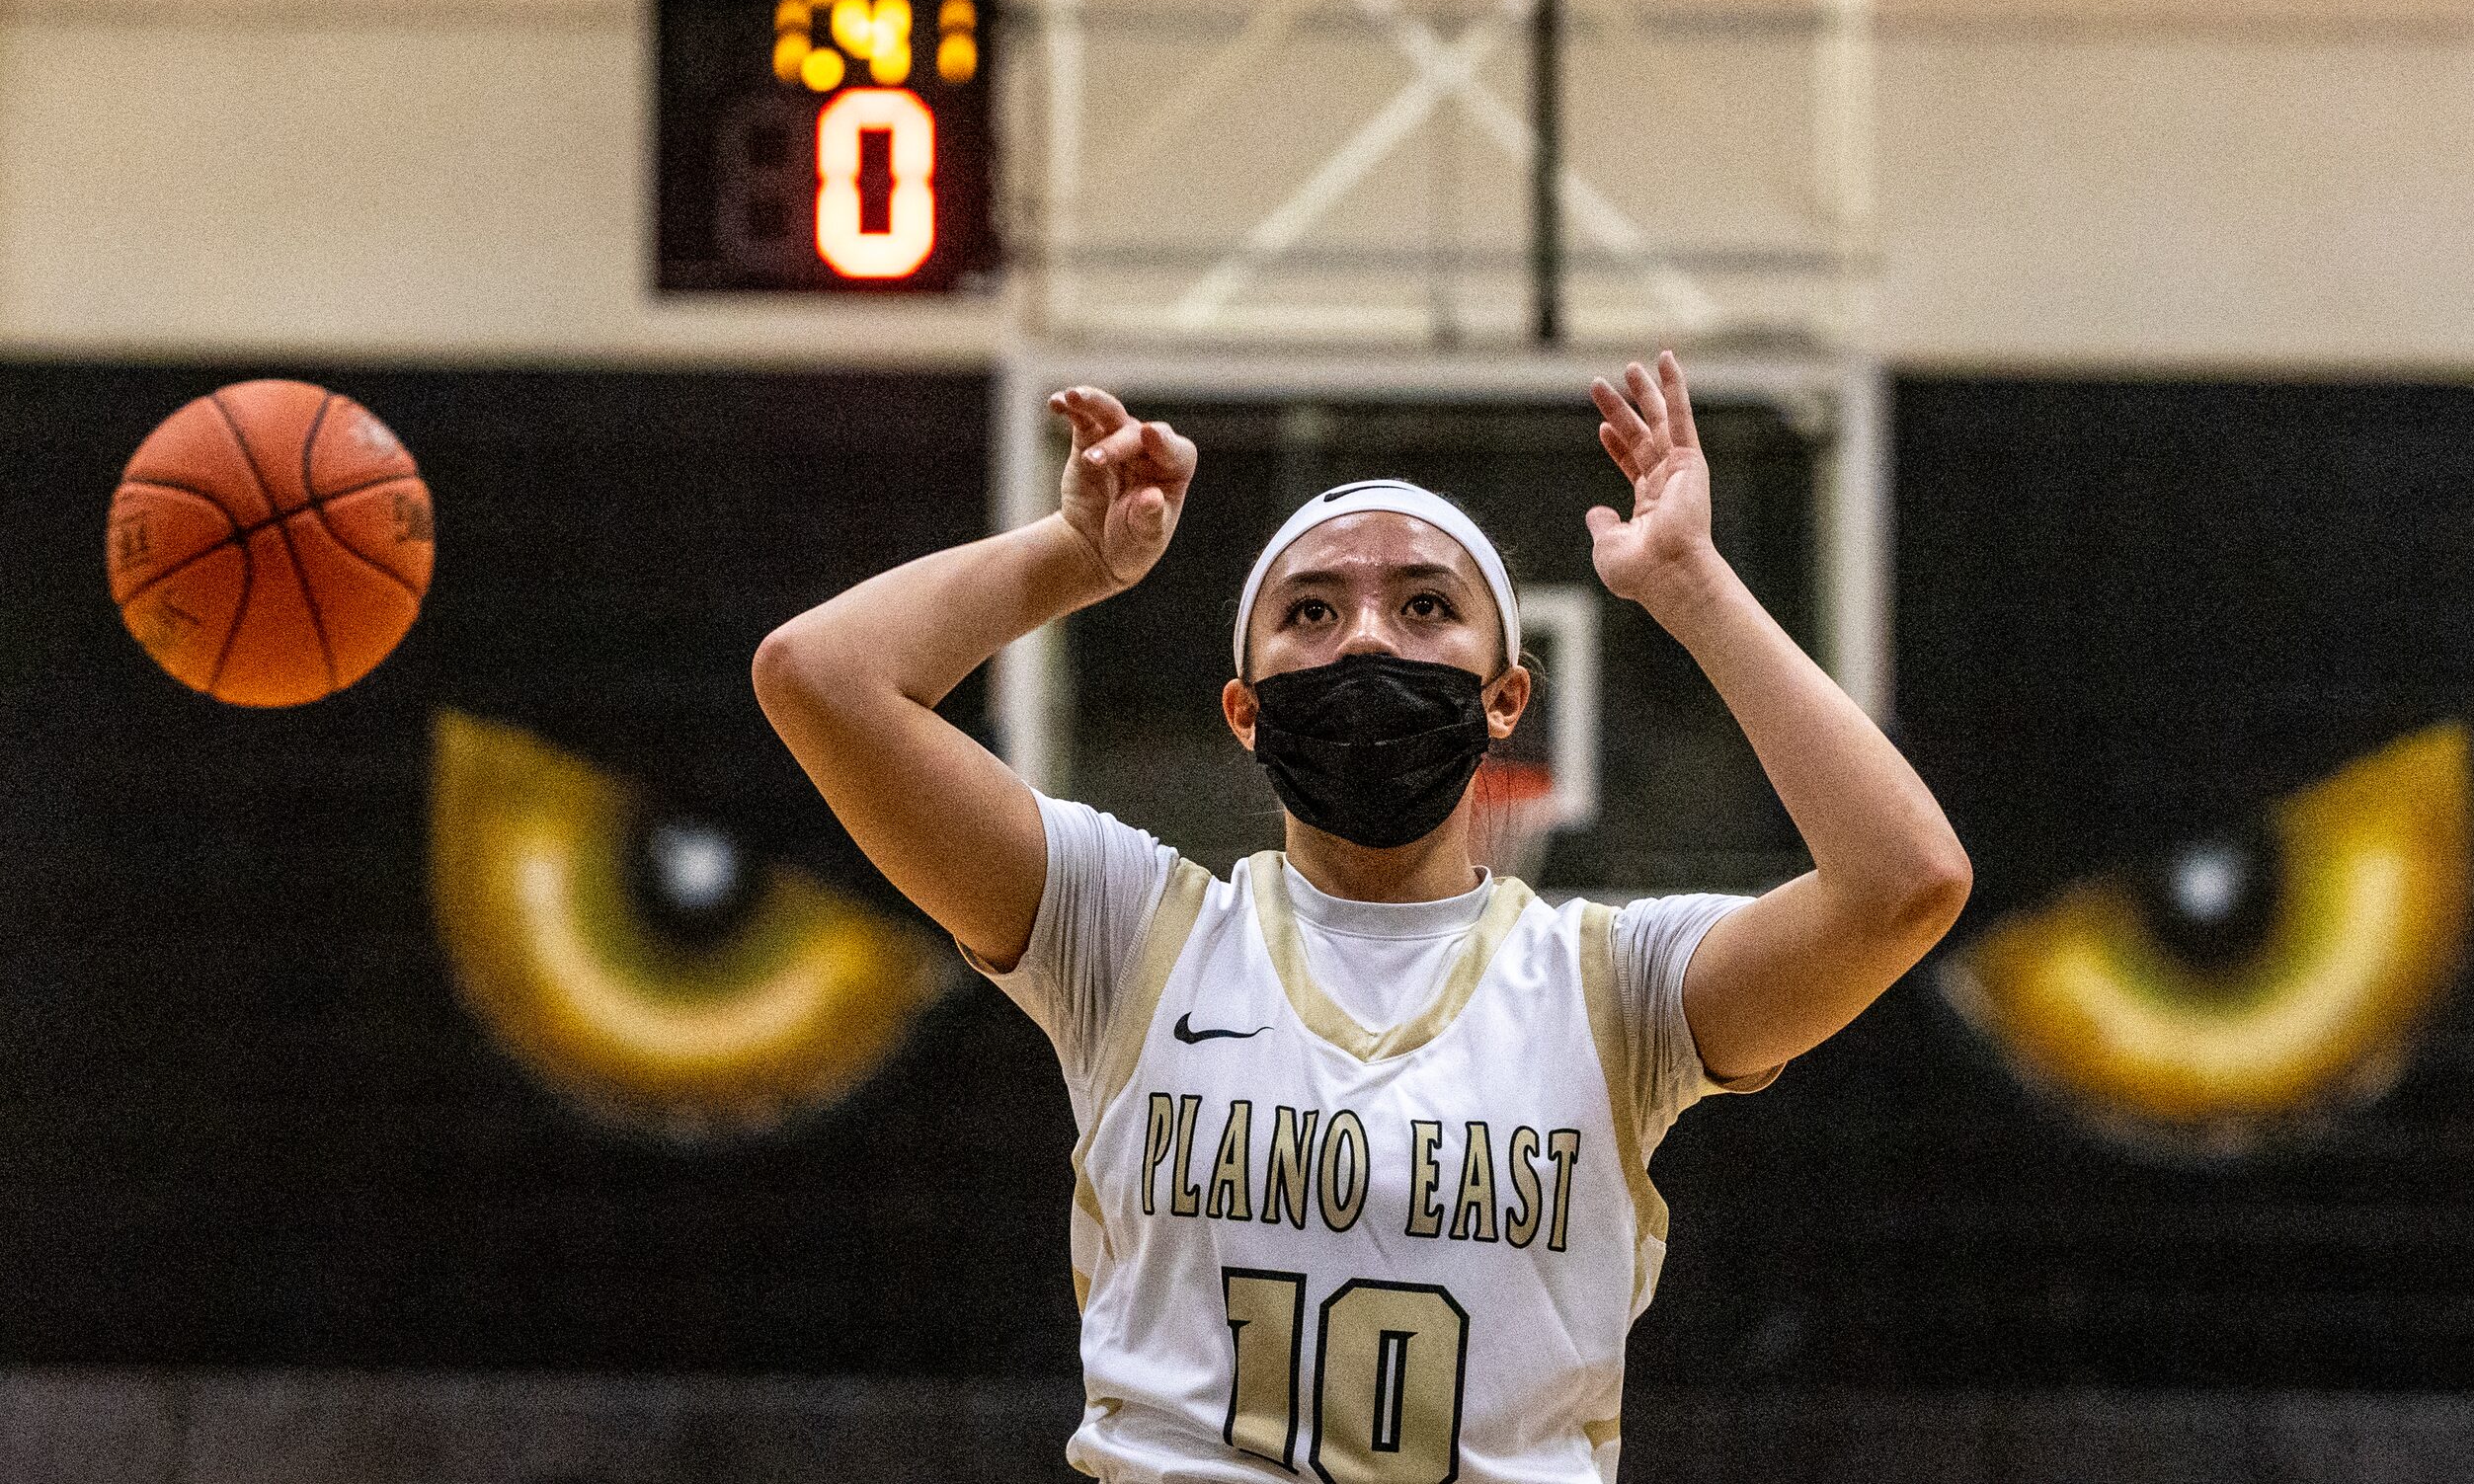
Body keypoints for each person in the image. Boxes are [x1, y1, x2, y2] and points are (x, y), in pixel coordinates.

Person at [753, 351, 1970, 1483]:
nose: (1370, 636)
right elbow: (820, 677)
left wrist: (1692, 585)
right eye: (1313, 612)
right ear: (1245, 709)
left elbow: (1905, 882)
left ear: (1506, 701)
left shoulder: (1614, 986)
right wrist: (1075, 556)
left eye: (1427, 606)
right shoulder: (1126, 933)